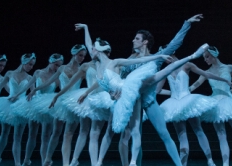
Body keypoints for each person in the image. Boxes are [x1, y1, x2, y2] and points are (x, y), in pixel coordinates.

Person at [75, 21, 208, 166]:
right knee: (127, 136)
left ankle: (179, 164)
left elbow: (174, 44)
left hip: (148, 100)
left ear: (145, 42)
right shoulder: (129, 60)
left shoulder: (156, 57)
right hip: (132, 100)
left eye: (137, 38)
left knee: (164, 134)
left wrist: (186, 24)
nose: (133, 40)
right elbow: (116, 78)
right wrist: (114, 93)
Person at [156, 45, 232, 166]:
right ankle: (183, 164)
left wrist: (225, 80)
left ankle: (210, 160)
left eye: (165, 53)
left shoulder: (186, 64)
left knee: (198, 129)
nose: (164, 58)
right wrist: (171, 92)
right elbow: (157, 90)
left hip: (188, 100)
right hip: (174, 103)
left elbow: (206, 74)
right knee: (181, 134)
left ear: (172, 52)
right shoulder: (166, 70)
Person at [25, 45, 86, 166]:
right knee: (56, 131)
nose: (82, 58)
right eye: (80, 55)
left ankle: (66, 162)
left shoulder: (82, 69)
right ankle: (47, 159)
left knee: (68, 134)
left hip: (74, 102)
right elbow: (49, 82)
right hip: (61, 102)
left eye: (84, 56)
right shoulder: (62, 68)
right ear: (74, 54)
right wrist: (34, 89)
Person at [0, 53, 36, 166]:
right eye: (30, 64)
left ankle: (17, 163)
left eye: (32, 65)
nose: (31, 67)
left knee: (18, 136)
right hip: (8, 105)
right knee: (4, 132)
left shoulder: (30, 77)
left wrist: (31, 96)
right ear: (24, 62)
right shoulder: (10, 73)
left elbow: (33, 91)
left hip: (21, 105)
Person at [8, 53, 64, 165]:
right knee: (32, 133)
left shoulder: (57, 77)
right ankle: (26, 159)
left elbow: (62, 88)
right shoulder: (38, 72)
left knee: (46, 135)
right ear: (51, 62)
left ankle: (44, 161)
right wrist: (17, 94)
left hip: (47, 106)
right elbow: (27, 85)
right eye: (56, 65)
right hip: (35, 104)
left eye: (59, 66)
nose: (57, 68)